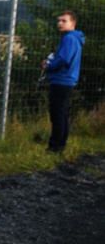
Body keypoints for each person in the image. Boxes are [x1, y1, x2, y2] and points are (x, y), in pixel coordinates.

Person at [41, 10, 85, 153]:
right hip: (67, 80)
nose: (60, 23)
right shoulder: (73, 39)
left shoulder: (69, 38)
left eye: (64, 21)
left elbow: (64, 59)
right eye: (59, 20)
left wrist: (49, 66)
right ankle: (61, 144)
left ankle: (55, 147)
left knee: (57, 113)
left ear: (73, 23)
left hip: (62, 80)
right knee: (62, 113)